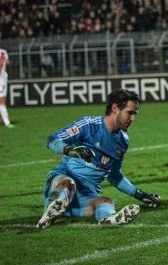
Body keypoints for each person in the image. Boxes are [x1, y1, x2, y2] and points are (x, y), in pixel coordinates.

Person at [36, 89, 161, 230]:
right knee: (68, 185)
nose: (133, 119)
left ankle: (108, 219)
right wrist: (70, 150)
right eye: (130, 113)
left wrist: (140, 195)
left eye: (135, 114)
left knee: (106, 202)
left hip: (85, 196)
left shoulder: (122, 141)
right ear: (115, 108)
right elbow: (52, 140)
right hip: (59, 182)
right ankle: (52, 208)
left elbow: (115, 176)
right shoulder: (88, 125)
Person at [0, 45, 13, 128]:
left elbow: (7, 63)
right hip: (2, 80)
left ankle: (7, 122)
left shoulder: (3, 52)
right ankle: (7, 123)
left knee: (1, 101)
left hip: (2, 80)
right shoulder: (3, 52)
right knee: (1, 102)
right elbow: (8, 63)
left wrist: (6, 61)